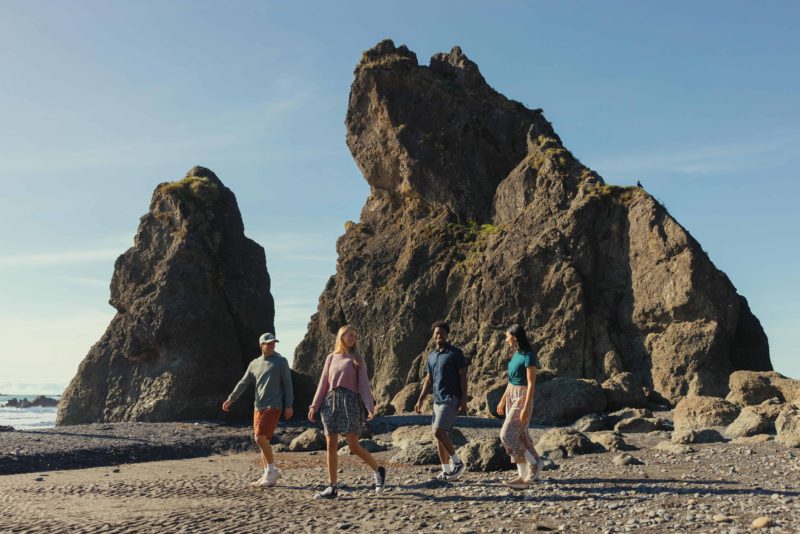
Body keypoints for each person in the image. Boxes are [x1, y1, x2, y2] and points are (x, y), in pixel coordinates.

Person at [308, 325, 386, 499]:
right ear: (341, 336)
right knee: (331, 445)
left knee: (353, 445)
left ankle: (378, 469)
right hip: (331, 402)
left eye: (355, 336)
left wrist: (369, 405)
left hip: (350, 402)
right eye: (350, 335)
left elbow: (364, 384)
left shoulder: (357, 358)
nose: (353, 338)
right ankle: (332, 487)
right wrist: (314, 405)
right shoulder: (331, 358)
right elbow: (323, 383)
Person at [222, 332, 293, 488]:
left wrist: (289, 405)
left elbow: (288, 384)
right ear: (261, 345)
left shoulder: (281, 361)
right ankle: (268, 473)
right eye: (268, 343)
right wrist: (231, 398)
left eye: (274, 342)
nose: (272, 345)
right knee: (263, 441)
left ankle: (272, 470)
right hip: (258, 406)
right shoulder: (254, 363)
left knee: (259, 438)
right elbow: (243, 383)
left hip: (273, 406)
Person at [414, 320, 468, 481]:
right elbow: (428, 380)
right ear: (433, 336)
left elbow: (463, 378)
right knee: (440, 436)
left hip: (451, 398)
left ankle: (457, 463)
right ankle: (446, 471)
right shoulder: (432, 356)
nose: (440, 336)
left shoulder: (455, 353)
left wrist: (464, 400)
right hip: (437, 400)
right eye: (437, 333)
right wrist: (420, 399)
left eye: (443, 333)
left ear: (447, 335)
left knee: (438, 431)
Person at [496, 324, 543, 489]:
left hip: (522, 396)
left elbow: (531, 384)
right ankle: (522, 476)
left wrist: (525, 406)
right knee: (521, 435)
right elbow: (510, 381)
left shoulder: (529, 355)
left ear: (514, 336)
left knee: (507, 434)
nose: (506, 338)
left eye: (507, 335)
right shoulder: (515, 354)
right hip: (511, 395)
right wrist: (502, 400)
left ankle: (534, 463)